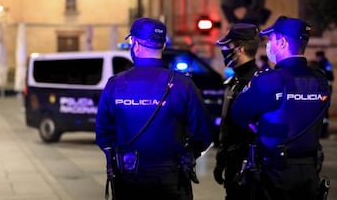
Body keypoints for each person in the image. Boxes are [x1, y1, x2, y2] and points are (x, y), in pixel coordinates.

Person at [95, 17, 213, 200]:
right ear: (163, 46)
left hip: (128, 178)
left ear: (135, 44)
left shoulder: (115, 84)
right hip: (172, 178)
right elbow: (204, 133)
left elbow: (103, 135)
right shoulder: (183, 84)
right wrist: (187, 155)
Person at [231, 16, 330, 200]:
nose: (269, 45)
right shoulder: (320, 81)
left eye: (271, 40)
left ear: (282, 42)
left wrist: (257, 126)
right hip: (309, 172)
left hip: (274, 174)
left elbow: (238, 113)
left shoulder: (269, 80)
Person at [212, 23, 260, 200]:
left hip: (248, 166)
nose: (223, 50)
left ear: (239, 49)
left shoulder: (258, 83)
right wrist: (221, 159)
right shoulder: (235, 80)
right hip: (233, 164)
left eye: (227, 46)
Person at [315, 50, 334, 138]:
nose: (317, 59)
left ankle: (324, 131)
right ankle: (322, 131)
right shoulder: (320, 64)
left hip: (325, 88)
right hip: (322, 89)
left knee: (324, 110)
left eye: (318, 57)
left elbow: (331, 76)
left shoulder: (326, 64)